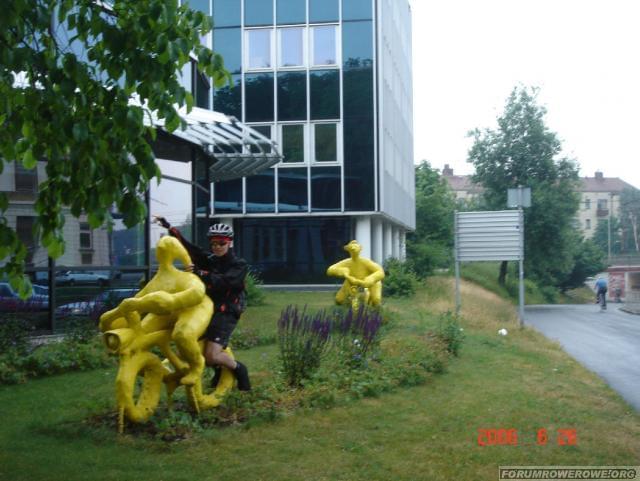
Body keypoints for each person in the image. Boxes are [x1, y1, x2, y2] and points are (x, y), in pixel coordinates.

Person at [153, 216, 251, 391]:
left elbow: (225, 282)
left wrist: (201, 274)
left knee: (211, 355)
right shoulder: (210, 259)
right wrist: (169, 227)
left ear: (229, 243)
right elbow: (189, 247)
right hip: (206, 308)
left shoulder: (239, 264)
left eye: (221, 243)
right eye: (214, 243)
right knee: (194, 345)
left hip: (227, 310)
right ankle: (219, 370)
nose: (217, 247)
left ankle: (239, 369)